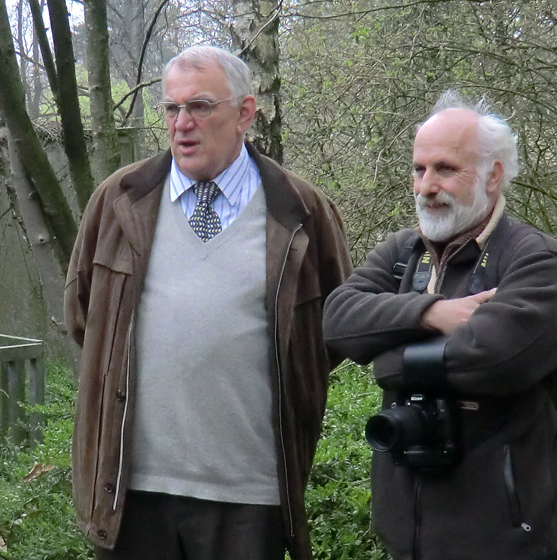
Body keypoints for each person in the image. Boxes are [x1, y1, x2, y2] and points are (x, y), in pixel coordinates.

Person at [64, 45, 352, 560]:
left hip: (250, 496)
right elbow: (88, 318)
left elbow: (330, 330)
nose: (182, 124)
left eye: (199, 106)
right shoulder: (117, 201)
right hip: (132, 492)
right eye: (172, 109)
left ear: (244, 113)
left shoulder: (301, 210)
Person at [323, 91, 557, 560]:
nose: (426, 186)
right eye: (419, 169)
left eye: (445, 169)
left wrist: (387, 358)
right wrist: (429, 313)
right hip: (407, 540)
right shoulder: (403, 252)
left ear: (492, 175)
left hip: (504, 539)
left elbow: (494, 357)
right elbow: (337, 322)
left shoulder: (534, 259)